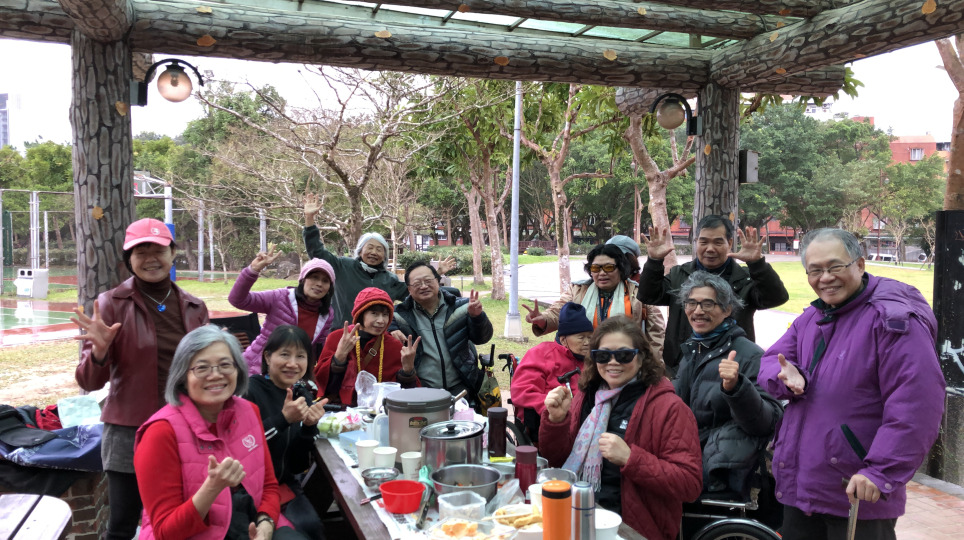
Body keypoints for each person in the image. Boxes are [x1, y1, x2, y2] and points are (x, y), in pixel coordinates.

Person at [758, 228, 945, 540]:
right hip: (802, 490)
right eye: (815, 270)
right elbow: (770, 360)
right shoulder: (814, 316)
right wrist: (785, 375)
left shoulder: (893, 321)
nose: (825, 278)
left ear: (860, 264)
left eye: (835, 267)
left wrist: (881, 471)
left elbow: (917, 406)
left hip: (859, 493)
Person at [72, 218, 209, 540]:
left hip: (184, 426)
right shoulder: (110, 304)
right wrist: (100, 352)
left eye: (158, 250)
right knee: (122, 524)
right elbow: (88, 382)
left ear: (173, 253)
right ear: (128, 260)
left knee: (182, 518)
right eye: (140, 251)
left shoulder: (194, 307)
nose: (150, 259)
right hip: (128, 430)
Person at [134, 325, 306, 540]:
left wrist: (266, 524)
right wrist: (212, 488)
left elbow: (268, 486)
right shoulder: (160, 433)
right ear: (182, 376)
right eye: (202, 368)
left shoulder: (248, 411)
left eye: (225, 365)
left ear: (238, 370)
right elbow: (165, 532)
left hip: (249, 524)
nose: (215, 375)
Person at [539, 316, 702, 540]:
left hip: (632, 531)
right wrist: (556, 422)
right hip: (576, 517)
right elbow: (558, 461)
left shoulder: (670, 408)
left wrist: (631, 459)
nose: (613, 362)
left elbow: (690, 485)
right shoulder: (587, 395)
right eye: (603, 355)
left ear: (641, 358)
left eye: (624, 355)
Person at [673, 271, 782, 497]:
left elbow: (767, 423)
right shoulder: (694, 349)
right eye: (691, 303)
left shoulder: (749, 355)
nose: (698, 311)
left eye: (708, 304)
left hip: (722, 473)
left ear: (727, 310)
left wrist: (737, 388)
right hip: (689, 457)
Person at [639, 215, 789, 372]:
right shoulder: (679, 275)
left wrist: (757, 264)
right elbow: (648, 295)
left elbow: (775, 298)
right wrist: (654, 261)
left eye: (718, 242)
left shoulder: (744, 278)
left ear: (729, 243)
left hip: (731, 367)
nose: (710, 249)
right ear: (696, 242)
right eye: (704, 242)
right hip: (682, 366)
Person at [303, 194, 455, 326]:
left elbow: (414, 292)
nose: (373, 252)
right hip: (342, 335)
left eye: (379, 249)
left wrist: (436, 273)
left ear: (385, 255)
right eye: (369, 247)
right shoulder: (343, 266)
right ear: (360, 250)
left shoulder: (390, 280)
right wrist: (309, 220)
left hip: (376, 338)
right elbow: (317, 252)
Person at [244, 325, 329, 538]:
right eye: (284, 354)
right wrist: (283, 420)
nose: (292, 363)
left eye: (300, 356)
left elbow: (298, 465)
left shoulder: (301, 395)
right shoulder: (250, 392)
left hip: (286, 483)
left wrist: (309, 427)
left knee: (313, 526)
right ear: (267, 356)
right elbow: (245, 446)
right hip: (250, 489)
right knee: (300, 529)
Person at [524, 243, 665, 364]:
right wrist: (543, 319)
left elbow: (656, 334)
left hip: (624, 363)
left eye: (608, 267)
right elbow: (558, 312)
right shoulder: (578, 290)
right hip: (583, 364)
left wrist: (653, 367)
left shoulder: (639, 294)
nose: (602, 273)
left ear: (621, 269)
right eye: (596, 268)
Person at [391, 261, 493, 404]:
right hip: (423, 389)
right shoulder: (399, 315)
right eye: (417, 283)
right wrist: (391, 328)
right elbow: (381, 320)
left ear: (437, 281)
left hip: (461, 387)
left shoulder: (462, 307)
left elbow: (482, 338)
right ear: (409, 289)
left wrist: (477, 317)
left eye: (428, 281)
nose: (424, 286)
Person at [228, 247, 336, 374]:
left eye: (325, 281)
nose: (319, 284)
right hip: (256, 370)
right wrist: (253, 270)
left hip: (289, 374)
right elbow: (237, 300)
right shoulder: (280, 297)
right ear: (302, 280)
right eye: (314, 277)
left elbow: (315, 349)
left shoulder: (326, 314)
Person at [315, 287, 421, 406]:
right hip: (341, 411)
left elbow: (405, 394)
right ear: (360, 314)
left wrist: (408, 371)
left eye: (385, 315)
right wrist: (338, 358)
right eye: (374, 313)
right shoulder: (337, 338)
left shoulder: (394, 345)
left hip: (380, 412)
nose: (381, 321)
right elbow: (320, 384)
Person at [509, 302, 593, 443]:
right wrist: (554, 407)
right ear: (563, 340)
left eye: (590, 337)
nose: (587, 343)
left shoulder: (593, 360)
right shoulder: (541, 354)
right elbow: (522, 392)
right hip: (550, 426)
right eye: (581, 337)